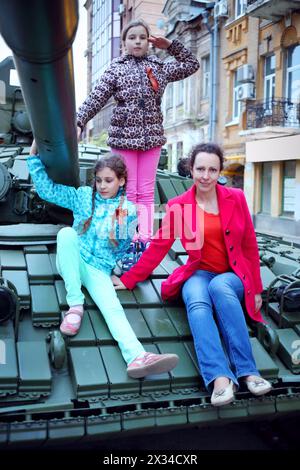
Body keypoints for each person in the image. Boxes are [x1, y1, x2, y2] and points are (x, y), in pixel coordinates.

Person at [112, 143, 272, 404]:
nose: (205, 175)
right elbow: (159, 246)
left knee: (220, 287)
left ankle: (248, 372)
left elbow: (249, 246)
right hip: (199, 273)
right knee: (197, 300)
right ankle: (219, 378)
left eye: (212, 169)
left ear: (220, 171)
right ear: (191, 169)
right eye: (200, 169)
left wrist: (256, 289)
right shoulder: (179, 205)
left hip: (232, 275)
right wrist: (128, 278)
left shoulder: (237, 198)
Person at [27, 141, 179, 379]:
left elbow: (123, 251)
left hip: (99, 269)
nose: (102, 185)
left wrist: (120, 272)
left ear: (121, 181)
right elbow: (49, 191)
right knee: (66, 234)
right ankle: (75, 307)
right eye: (99, 180)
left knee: (113, 309)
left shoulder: (128, 210)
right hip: (72, 259)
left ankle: (137, 357)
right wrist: (33, 159)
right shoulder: (83, 196)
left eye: (109, 180)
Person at [76, 19, 200, 267]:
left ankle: (143, 239)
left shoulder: (159, 66)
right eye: (132, 37)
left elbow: (191, 64)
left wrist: (170, 46)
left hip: (151, 138)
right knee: (128, 191)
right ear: (124, 42)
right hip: (123, 139)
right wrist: (79, 120)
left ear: (148, 41)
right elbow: (97, 96)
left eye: (142, 37)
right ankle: (127, 238)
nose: (137, 41)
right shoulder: (116, 69)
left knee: (145, 192)